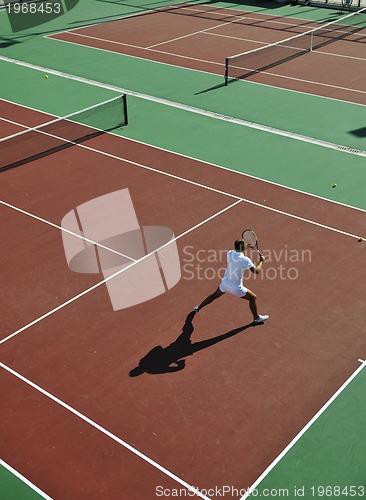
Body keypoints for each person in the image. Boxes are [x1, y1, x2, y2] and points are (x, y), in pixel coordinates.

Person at [194, 239, 269, 324]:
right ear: (243, 247)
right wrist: (261, 261)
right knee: (253, 298)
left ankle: (198, 308)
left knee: (213, 296)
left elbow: (238, 251)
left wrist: (245, 247)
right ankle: (257, 318)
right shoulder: (245, 260)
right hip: (236, 288)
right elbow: (256, 271)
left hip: (225, 284)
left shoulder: (229, 253)